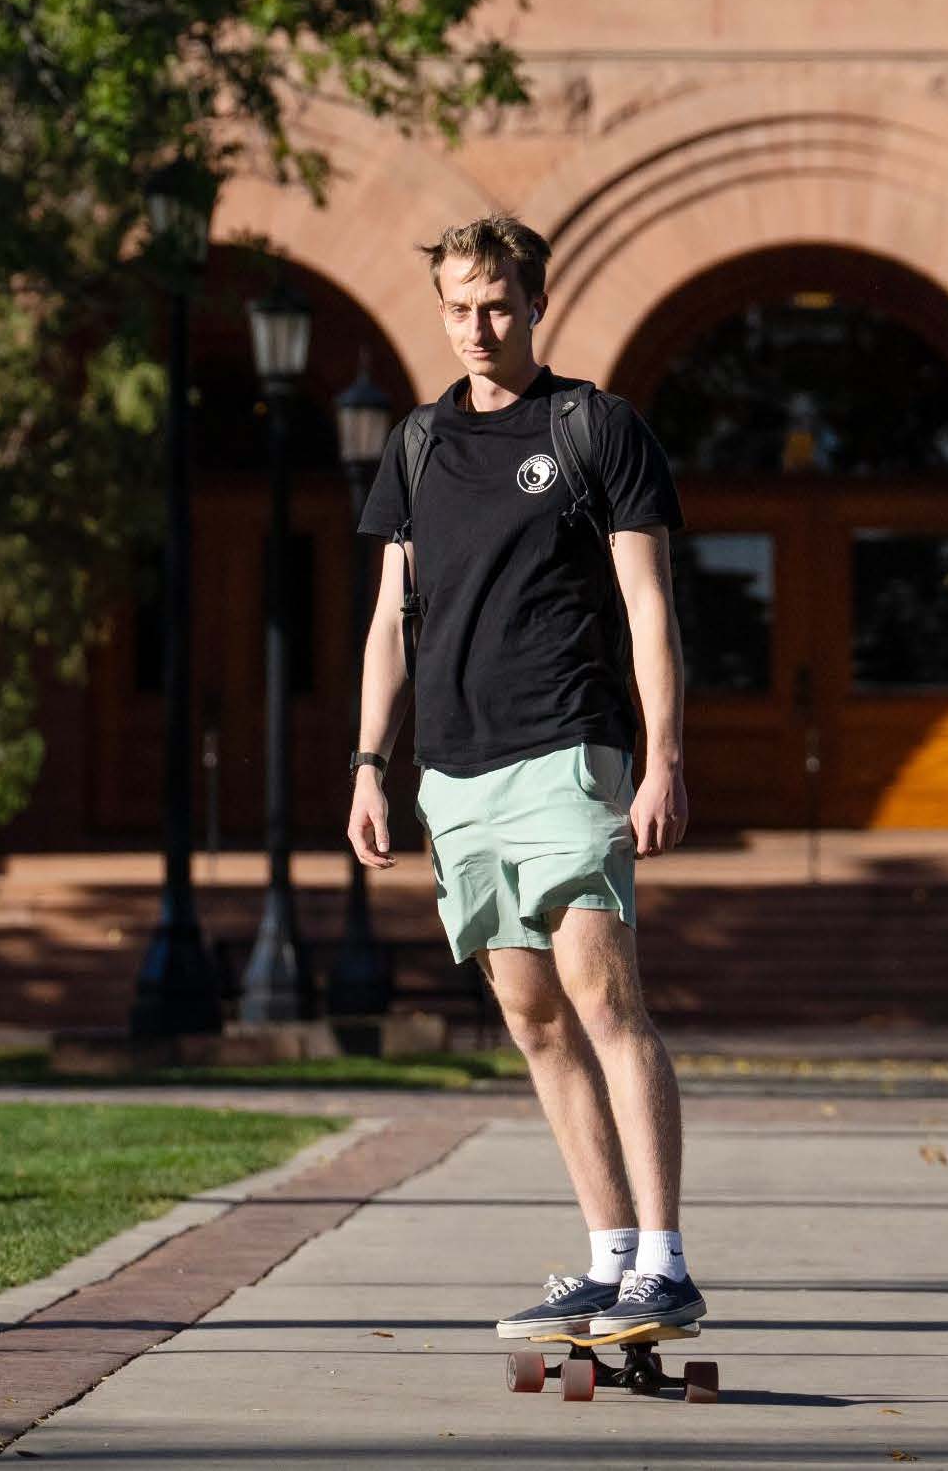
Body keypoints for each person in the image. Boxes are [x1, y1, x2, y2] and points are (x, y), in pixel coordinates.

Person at [350, 214, 701, 1347]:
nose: (475, 325)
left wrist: (664, 757)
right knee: (532, 1015)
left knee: (603, 997)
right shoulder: (413, 446)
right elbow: (387, 624)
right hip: (452, 773)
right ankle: (605, 1259)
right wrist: (369, 762)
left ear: (535, 302)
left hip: (565, 748)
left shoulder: (590, 427)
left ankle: (664, 1259)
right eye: (457, 304)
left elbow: (649, 607)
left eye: (496, 303)